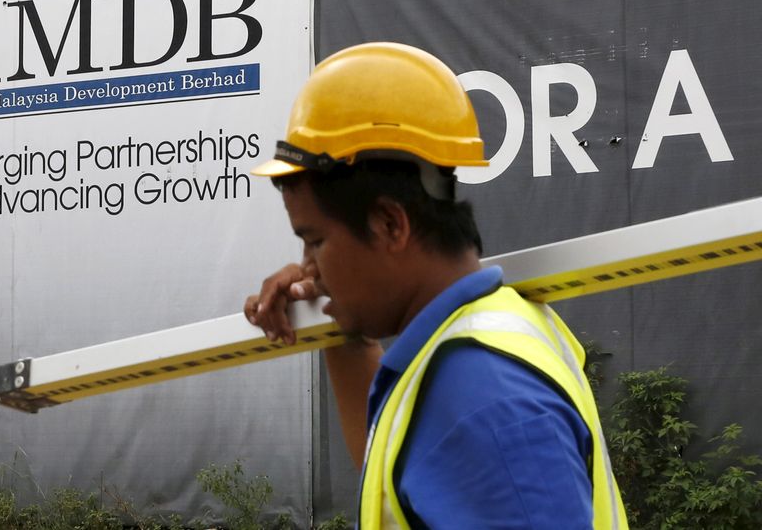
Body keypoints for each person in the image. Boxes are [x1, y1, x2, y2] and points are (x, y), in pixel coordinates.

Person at [244, 42, 628, 529]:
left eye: (315, 241)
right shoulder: (484, 335)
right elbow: (409, 480)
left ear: (390, 224)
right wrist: (341, 329)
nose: (307, 269)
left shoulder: (484, 395)